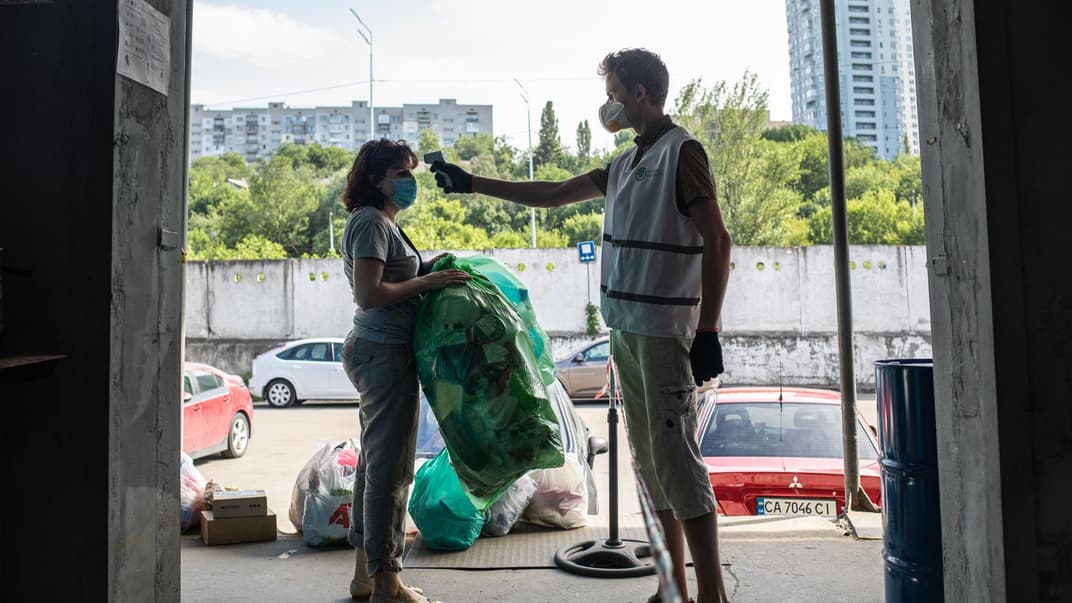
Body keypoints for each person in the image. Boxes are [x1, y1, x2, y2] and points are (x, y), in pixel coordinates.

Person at [430, 48, 732, 603]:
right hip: (627, 332)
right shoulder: (624, 165)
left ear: (639, 93)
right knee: (649, 465)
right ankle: (673, 589)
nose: (608, 103)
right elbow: (551, 194)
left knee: (678, 463)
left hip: (666, 333)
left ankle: (712, 595)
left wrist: (708, 330)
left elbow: (719, 239)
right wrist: (472, 183)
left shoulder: (681, 152)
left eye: (614, 91)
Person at [339, 138, 469, 603]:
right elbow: (370, 293)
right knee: (390, 473)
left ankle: (364, 576)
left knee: (373, 469)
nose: (410, 181)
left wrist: (436, 267)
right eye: (401, 172)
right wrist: (429, 280)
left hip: (379, 351)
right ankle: (388, 583)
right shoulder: (372, 221)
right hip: (383, 352)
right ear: (377, 180)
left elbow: (394, 277)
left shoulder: (381, 223)